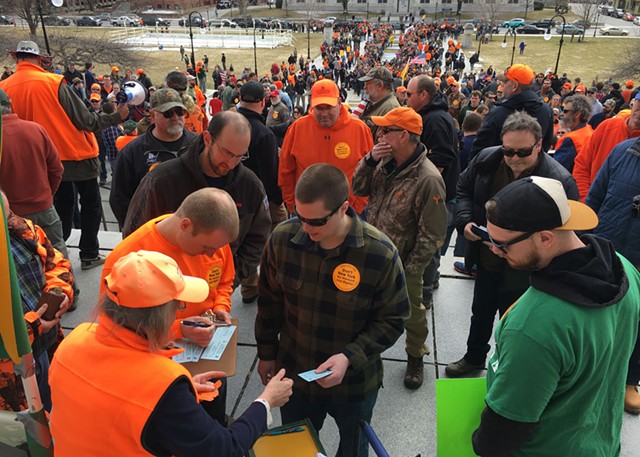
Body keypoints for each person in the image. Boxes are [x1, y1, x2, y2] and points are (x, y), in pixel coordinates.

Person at [49, 250, 294, 456]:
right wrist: (266, 401)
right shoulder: (161, 385)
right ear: (158, 317)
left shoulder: (75, 339)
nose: (179, 312)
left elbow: (111, 404)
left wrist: (184, 392)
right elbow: (224, 449)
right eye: (178, 306)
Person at [471, 176, 640, 457]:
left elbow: (498, 439)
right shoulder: (626, 270)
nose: (494, 250)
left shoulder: (533, 327)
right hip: (601, 444)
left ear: (545, 238)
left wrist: (478, 440)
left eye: (503, 245)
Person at [256, 164, 409, 457]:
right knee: (295, 449)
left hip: (354, 384)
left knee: (352, 449)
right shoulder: (282, 240)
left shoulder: (380, 253)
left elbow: (393, 319)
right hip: (296, 376)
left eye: (316, 221)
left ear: (343, 208)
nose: (306, 228)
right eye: (300, 217)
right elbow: (269, 302)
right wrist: (265, 352)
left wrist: (348, 357)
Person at [446, 112, 579, 377]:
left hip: (527, 272)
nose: (514, 158)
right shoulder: (486, 159)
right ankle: (474, 358)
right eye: (508, 151)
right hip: (487, 257)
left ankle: (510, 370)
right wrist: (464, 222)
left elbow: (566, 234)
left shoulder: (560, 182)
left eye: (523, 152)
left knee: (519, 324)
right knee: (481, 312)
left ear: (540, 145)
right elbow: (463, 188)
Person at [0, 41, 128, 270]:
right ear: (39, 59)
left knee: (60, 209)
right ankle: (89, 254)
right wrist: (117, 117)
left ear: (16, 58)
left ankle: (51, 257)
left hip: (37, 163)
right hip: (76, 155)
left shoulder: (5, 87)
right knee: (90, 206)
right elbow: (87, 121)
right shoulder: (53, 82)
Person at [123, 111, 271, 296]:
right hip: (162, 291)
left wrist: (230, 278)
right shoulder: (162, 180)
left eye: (240, 156)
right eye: (227, 153)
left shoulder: (251, 187)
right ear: (208, 138)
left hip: (215, 293)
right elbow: (134, 235)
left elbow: (257, 238)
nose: (231, 163)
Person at [352, 107, 447, 390]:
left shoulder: (428, 179)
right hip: (372, 253)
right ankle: (363, 350)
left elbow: (434, 233)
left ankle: (415, 357)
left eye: (385, 130)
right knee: (365, 306)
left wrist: (411, 269)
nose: (379, 134)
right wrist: (369, 160)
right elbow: (358, 188)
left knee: (413, 314)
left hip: (405, 263)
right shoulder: (385, 162)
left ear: (403, 136)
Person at [0, 192, 73, 412]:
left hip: (46, 348)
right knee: (27, 434)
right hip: (10, 377)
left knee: (54, 408)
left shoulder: (20, 230)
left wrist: (59, 292)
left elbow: (55, 263)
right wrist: (35, 324)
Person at [585, 136, 640, 415]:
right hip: (608, 250)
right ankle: (589, 373)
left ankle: (630, 380)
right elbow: (596, 196)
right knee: (597, 314)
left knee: (638, 322)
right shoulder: (622, 151)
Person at [278, 79, 373, 215]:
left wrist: (357, 207)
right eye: (319, 108)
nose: (324, 113)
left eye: (329, 107)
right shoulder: (297, 128)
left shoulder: (360, 130)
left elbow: (370, 172)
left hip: (347, 213)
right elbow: (285, 170)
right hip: (306, 214)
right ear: (311, 105)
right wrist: (293, 205)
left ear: (339, 103)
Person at [405, 74, 459, 310]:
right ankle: (432, 282)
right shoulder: (433, 115)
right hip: (440, 194)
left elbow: (439, 159)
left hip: (437, 197)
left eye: (409, 94)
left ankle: (424, 295)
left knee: (428, 244)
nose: (405, 98)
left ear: (423, 95)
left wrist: (420, 190)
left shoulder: (434, 120)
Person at [109, 88, 198, 228]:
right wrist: (137, 232)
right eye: (168, 113)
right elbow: (119, 200)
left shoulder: (199, 146)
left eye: (180, 111)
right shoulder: (132, 152)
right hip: (151, 235)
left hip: (194, 233)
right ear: (152, 115)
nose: (175, 117)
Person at [471, 64, 554, 156]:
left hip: (499, 168)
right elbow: (546, 144)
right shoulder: (547, 111)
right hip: (533, 167)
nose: (502, 85)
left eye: (505, 82)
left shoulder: (497, 114)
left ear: (514, 86)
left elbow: (479, 153)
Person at [574, 92, 640, 201]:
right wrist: (586, 199)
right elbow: (582, 164)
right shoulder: (607, 126)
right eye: (639, 104)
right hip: (590, 203)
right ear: (632, 105)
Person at [357, 66, 400, 138]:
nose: (364, 87)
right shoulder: (376, 103)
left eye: (367, 83)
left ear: (380, 85)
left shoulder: (391, 108)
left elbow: (383, 144)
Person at [553, 95, 593, 173]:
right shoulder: (591, 131)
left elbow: (557, 170)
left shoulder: (570, 140)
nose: (562, 114)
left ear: (577, 114)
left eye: (566, 111)